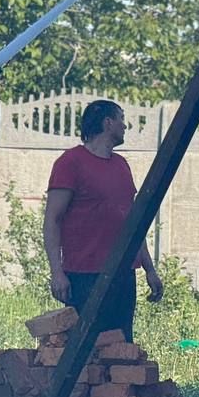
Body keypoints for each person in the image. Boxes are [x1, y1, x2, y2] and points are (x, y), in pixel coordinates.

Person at [43, 99, 163, 343]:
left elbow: (133, 223)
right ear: (108, 123)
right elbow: (52, 220)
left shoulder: (122, 165)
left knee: (121, 347)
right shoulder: (70, 162)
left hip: (122, 274)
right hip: (84, 275)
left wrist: (150, 270)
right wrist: (57, 272)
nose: (125, 126)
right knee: (85, 347)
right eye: (121, 119)